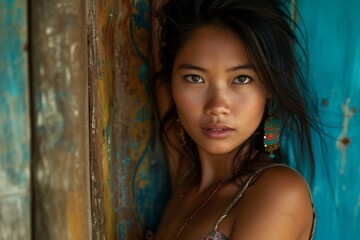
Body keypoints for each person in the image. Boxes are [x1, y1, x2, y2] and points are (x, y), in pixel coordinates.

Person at [149, 0, 318, 239]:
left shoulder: (278, 192)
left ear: (268, 87)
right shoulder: (186, 174)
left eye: (241, 79)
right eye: (195, 78)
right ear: (172, 85)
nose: (217, 106)